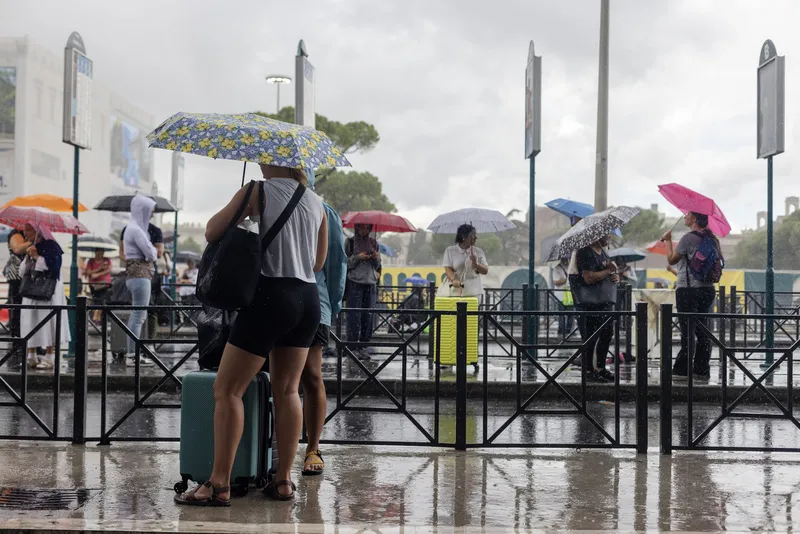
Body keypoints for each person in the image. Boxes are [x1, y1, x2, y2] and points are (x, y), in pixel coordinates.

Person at [175, 163, 327, 506]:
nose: (259, 160)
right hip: (307, 299)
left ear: (275, 160)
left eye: (264, 156)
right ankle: (283, 481)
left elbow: (213, 231)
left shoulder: (257, 190)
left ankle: (218, 484)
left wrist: (246, 208)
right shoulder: (315, 201)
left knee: (227, 389)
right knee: (289, 390)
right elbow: (318, 263)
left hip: (270, 297)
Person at [300, 169, 347, 477]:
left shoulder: (322, 210)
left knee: (311, 375)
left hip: (313, 301)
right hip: (276, 300)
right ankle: (285, 449)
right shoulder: (266, 201)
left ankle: (313, 446)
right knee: (285, 381)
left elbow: (334, 263)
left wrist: (331, 305)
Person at [662, 212, 720, 379]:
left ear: (694, 219)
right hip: (707, 289)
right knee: (703, 329)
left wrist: (667, 241)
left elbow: (672, 260)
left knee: (687, 330)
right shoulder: (713, 239)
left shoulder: (688, 238)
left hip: (688, 289)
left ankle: (682, 368)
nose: (685, 217)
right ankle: (701, 369)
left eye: (687, 215)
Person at [18, 223, 70, 370]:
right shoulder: (32, 246)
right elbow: (22, 272)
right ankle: (31, 355)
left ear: (36, 231)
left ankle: (50, 355)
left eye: (27, 230)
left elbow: (53, 268)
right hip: (31, 290)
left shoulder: (52, 246)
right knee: (30, 321)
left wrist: (37, 256)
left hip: (48, 291)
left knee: (49, 321)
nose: (24, 234)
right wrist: (29, 257)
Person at [575, 235, 619, 382]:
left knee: (607, 334)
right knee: (591, 337)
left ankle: (600, 367)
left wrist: (615, 276)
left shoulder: (604, 253)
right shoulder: (585, 252)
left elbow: (610, 272)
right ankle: (588, 370)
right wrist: (607, 271)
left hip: (605, 302)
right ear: (597, 236)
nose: (609, 237)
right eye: (606, 234)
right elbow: (588, 277)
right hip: (591, 303)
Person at [123, 195, 159, 368]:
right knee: (138, 316)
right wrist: (152, 251)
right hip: (140, 275)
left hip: (134, 275)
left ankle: (132, 354)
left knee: (136, 315)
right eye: (150, 211)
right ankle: (133, 356)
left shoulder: (131, 228)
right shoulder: (136, 230)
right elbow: (152, 254)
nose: (151, 214)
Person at [345, 224, 381, 358]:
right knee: (353, 316)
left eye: (367, 228)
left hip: (370, 283)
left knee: (368, 316)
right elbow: (345, 263)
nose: (364, 231)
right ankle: (352, 346)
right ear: (357, 228)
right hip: (354, 283)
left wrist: (376, 258)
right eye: (361, 228)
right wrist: (358, 258)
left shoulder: (373, 243)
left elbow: (377, 267)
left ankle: (364, 345)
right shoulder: (350, 243)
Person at [4, 228, 33, 368]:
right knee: (17, 311)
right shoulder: (16, 234)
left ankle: (26, 343)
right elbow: (17, 249)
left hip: (29, 278)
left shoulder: (29, 235)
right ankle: (17, 343)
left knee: (27, 311)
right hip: (17, 278)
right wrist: (33, 242)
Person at [443, 224, 489, 303]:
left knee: (472, 314)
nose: (476, 237)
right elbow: (448, 268)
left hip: (474, 291)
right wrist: (453, 279)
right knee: (455, 314)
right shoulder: (450, 250)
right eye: (473, 235)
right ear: (464, 237)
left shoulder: (479, 251)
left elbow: (485, 271)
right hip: (456, 290)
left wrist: (476, 264)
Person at [85, 248, 112, 323]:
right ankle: (96, 318)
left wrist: (98, 274)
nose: (100, 255)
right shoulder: (91, 261)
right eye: (98, 253)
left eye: (101, 253)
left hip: (104, 284)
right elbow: (88, 272)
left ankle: (97, 318)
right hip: (93, 285)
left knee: (102, 301)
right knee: (95, 300)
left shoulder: (106, 260)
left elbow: (109, 270)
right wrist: (99, 269)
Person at [552, 257, 574, 336]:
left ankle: (569, 330)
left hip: (570, 295)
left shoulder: (570, 267)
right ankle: (561, 330)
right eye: (565, 258)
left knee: (571, 313)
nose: (567, 260)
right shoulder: (557, 268)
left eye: (568, 258)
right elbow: (556, 282)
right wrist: (566, 279)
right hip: (560, 295)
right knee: (561, 313)